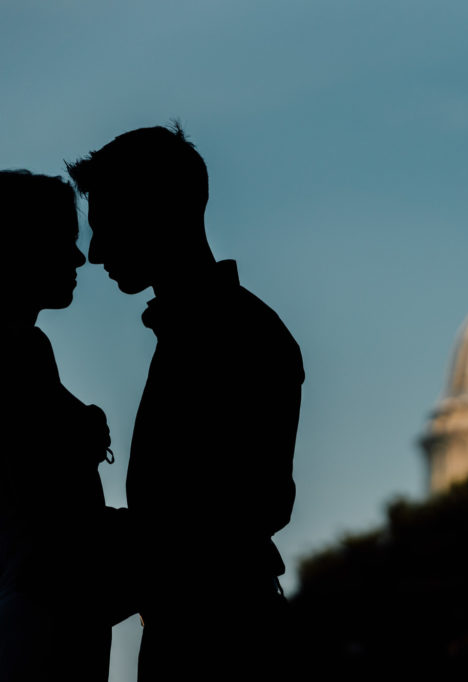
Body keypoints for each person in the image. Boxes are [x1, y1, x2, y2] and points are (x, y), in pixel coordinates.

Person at [67, 125, 304, 678]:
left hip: (218, 641)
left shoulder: (235, 335)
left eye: (106, 227)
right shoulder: (218, 329)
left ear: (157, 211)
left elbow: (248, 505)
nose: (95, 252)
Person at [0, 170, 135, 681]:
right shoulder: (21, 353)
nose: (80, 258)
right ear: (18, 249)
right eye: (64, 242)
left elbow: (1, 555)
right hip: (47, 638)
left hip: (12, 630)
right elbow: (60, 547)